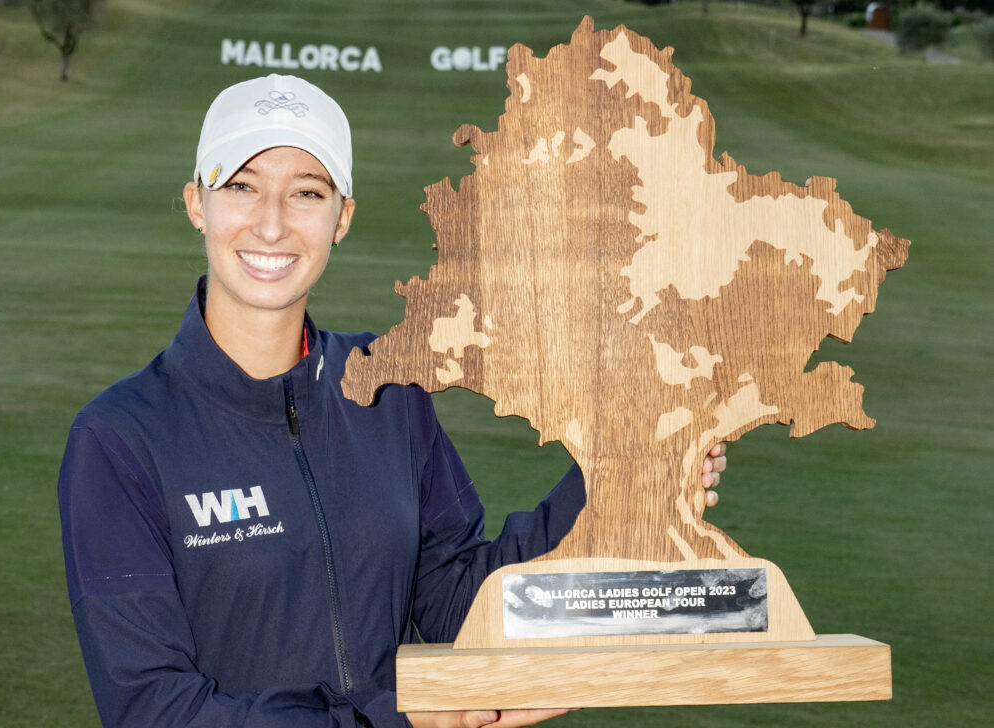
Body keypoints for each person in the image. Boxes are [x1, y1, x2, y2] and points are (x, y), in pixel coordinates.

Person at [57, 74, 727, 728]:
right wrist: (399, 715)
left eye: (307, 193)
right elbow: (152, 709)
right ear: (197, 202)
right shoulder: (120, 442)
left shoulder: (386, 388)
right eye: (241, 187)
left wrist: (613, 483)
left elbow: (460, 601)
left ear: (341, 218)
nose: (271, 224)